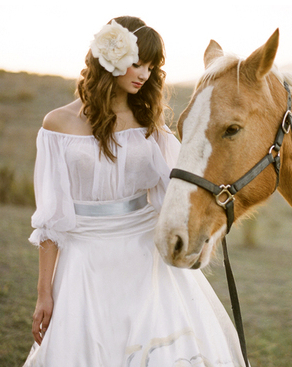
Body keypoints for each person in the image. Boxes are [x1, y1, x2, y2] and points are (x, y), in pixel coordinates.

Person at [23, 16, 246, 367]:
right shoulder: (57, 125)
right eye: (137, 62)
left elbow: (184, 183)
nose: (144, 73)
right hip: (85, 259)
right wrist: (44, 292)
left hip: (146, 256)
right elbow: (52, 220)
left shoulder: (151, 128)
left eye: (151, 66)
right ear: (107, 58)